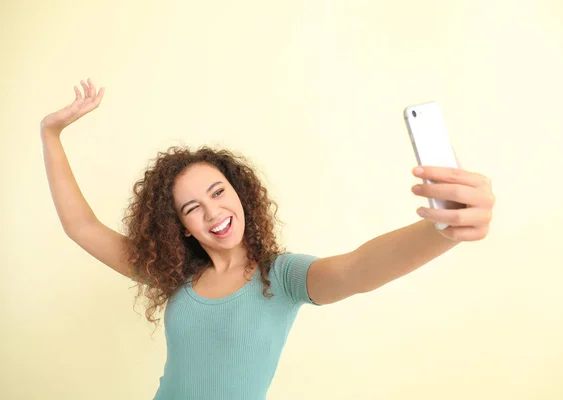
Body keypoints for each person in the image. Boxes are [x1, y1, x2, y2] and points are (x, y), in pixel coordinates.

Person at [40, 79, 496, 399]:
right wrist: (51, 132)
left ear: (240, 194)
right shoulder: (173, 272)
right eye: (192, 208)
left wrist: (443, 230)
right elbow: (82, 227)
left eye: (218, 192)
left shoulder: (282, 277)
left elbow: (358, 269)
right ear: (180, 226)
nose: (213, 211)